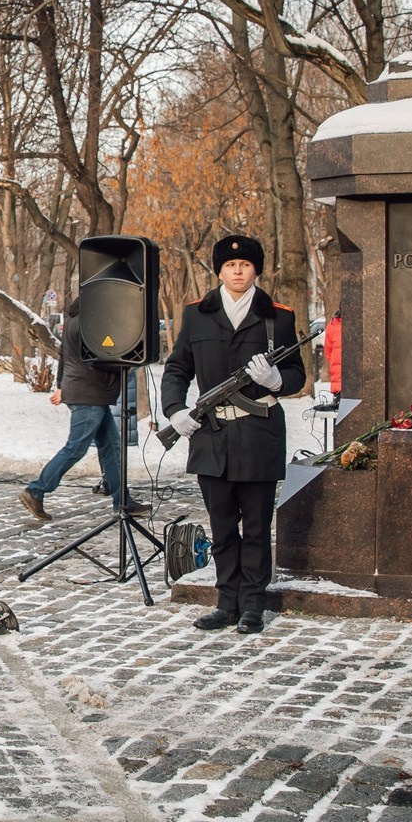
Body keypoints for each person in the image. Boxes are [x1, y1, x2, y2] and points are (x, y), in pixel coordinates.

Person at [160, 235, 307, 634]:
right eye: (229, 266)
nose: (237, 271)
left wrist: (276, 379)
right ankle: (226, 601)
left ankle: (253, 605)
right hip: (213, 434)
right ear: (219, 270)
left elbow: (296, 374)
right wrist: (175, 411)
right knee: (222, 526)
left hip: (259, 434)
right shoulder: (197, 314)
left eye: (244, 266)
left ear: (256, 269)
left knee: (256, 526)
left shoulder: (279, 316)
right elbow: (177, 368)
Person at [20, 290, 139, 521]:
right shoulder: (92, 323)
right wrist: (126, 366)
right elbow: (99, 359)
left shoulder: (76, 319)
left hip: (87, 391)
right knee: (75, 447)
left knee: (112, 447)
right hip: (88, 392)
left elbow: (64, 354)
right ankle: (36, 490)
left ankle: (123, 502)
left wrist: (60, 386)